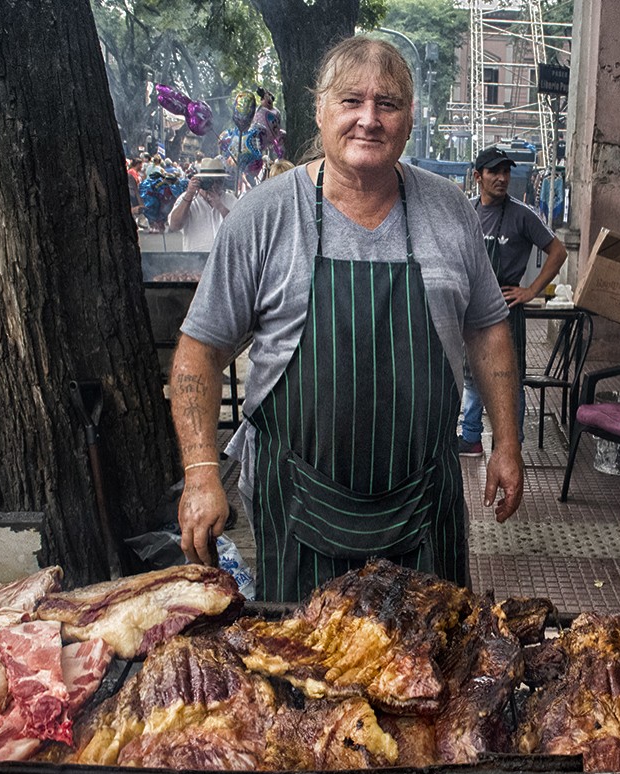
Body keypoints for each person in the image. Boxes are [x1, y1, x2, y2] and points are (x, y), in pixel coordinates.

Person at [170, 35, 524, 602]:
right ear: (320, 110)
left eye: (387, 104)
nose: (369, 119)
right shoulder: (264, 215)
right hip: (300, 509)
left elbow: (487, 328)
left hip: (424, 505)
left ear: (408, 119)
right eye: (351, 101)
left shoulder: (451, 211)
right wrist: (201, 471)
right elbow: (200, 351)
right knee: (307, 676)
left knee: (437, 672)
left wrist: (505, 441)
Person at [457, 145, 568, 455]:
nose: (502, 178)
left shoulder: (523, 215)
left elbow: (558, 252)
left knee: (509, 377)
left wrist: (530, 290)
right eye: (494, 171)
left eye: (506, 171)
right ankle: (471, 437)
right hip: (474, 306)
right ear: (478, 176)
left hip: (507, 309)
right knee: (472, 374)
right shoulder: (467, 211)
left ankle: (511, 445)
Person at [166, 157, 236, 251]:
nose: (215, 185)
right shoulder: (188, 199)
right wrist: (189, 195)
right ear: (203, 180)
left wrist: (220, 207)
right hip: (195, 259)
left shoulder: (230, 199)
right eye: (211, 181)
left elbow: (239, 228)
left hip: (223, 259)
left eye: (220, 181)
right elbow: (174, 226)